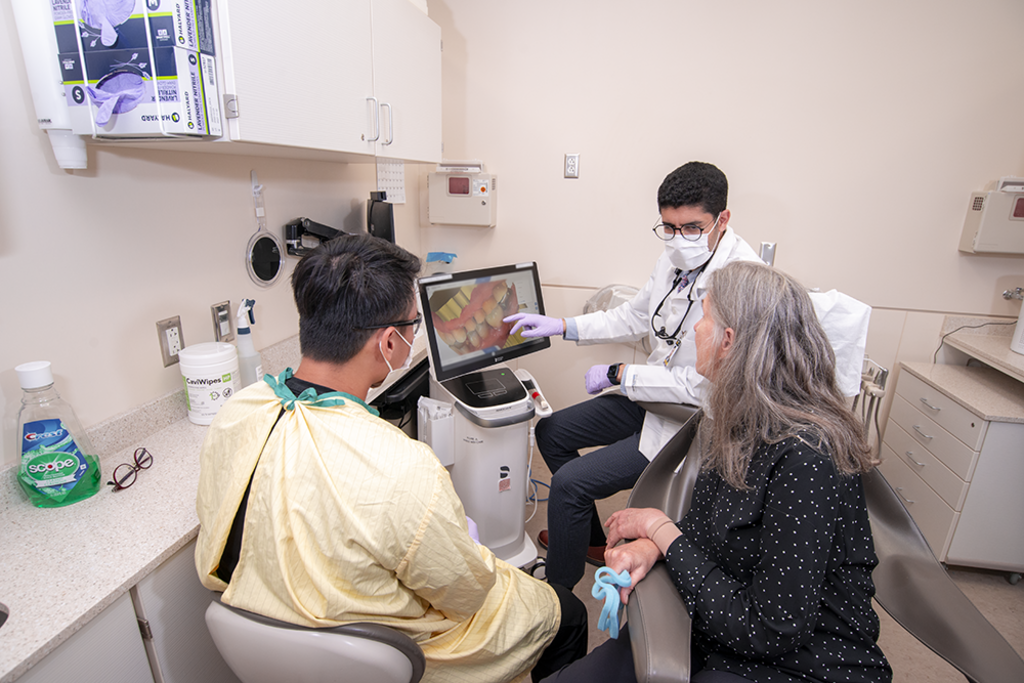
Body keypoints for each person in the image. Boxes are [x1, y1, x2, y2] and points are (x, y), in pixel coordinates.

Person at [195, 234, 587, 683]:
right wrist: (468, 546)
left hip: (259, 625)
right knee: (566, 612)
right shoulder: (405, 466)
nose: (414, 334)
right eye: (414, 325)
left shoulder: (236, 414)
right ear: (389, 342)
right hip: (379, 648)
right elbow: (465, 593)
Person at [542, 260, 892, 683]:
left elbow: (768, 629)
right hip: (716, 618)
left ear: (728, 341)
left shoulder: (806, 458)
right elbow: (715, 526)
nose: (694, 329)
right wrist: (652, 549)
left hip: (795, 660)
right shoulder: (733, 419)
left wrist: (660, 531)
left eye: (704, 316)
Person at [505, 161, 762, 589]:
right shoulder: (675, 258)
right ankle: (585, 540)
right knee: (552, 432)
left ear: (723, 219)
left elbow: (704, 389)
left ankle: (558, 600)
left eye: (692, 228)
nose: (679, 240)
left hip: (692, 422)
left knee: (569, 484)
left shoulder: (742, 282)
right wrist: (565, 326)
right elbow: (637, 315)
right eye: (669, 227)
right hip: (651, 396)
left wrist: (622, 374)